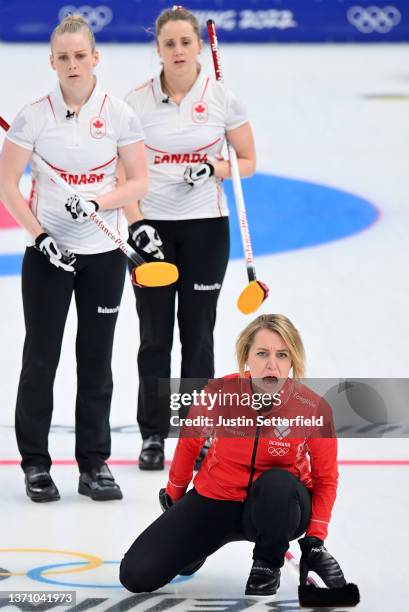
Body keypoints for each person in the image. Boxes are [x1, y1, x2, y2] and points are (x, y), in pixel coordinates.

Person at [0, 14, 148, 502]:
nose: (72, 64)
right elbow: (8, 183)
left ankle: (94, 464)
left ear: (95, 58)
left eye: (80, 55)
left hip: (103, 253)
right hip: (49, 256)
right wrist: (40, 235)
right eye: (63, 57)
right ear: (52, 62)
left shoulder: (120, 114)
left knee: (96, 360)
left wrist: (99, 203)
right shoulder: (32, 117)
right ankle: (36, 466)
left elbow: (137, 183)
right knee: (40, 361)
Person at [119, 314, 354, 599]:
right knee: (135, 574)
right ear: (246, 357)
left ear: (292, 361)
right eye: (262, 353)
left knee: (277, 482)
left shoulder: (313, 408)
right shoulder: (218, 393)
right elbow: (189, 444)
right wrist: (175, 498)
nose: (272, 364)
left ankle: (267, 565)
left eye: (282, 355)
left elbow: (326, 478)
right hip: (217, 499)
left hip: (279, 510)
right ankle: (194, 553)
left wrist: (316, 539)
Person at [124, 5, 256, 470]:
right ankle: (153, 436)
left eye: (185, 42)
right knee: (154, 337)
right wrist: (137, 224)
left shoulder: (223, 98)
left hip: (205, 229)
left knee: (198, 336)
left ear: (199, 45)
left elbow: (247, 162)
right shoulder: (134, 103)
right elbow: (121, 170)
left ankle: (196, 436)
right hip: (152, 230)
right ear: (157, 49)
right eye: (169, 43)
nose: (178, 51)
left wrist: (215, 167)